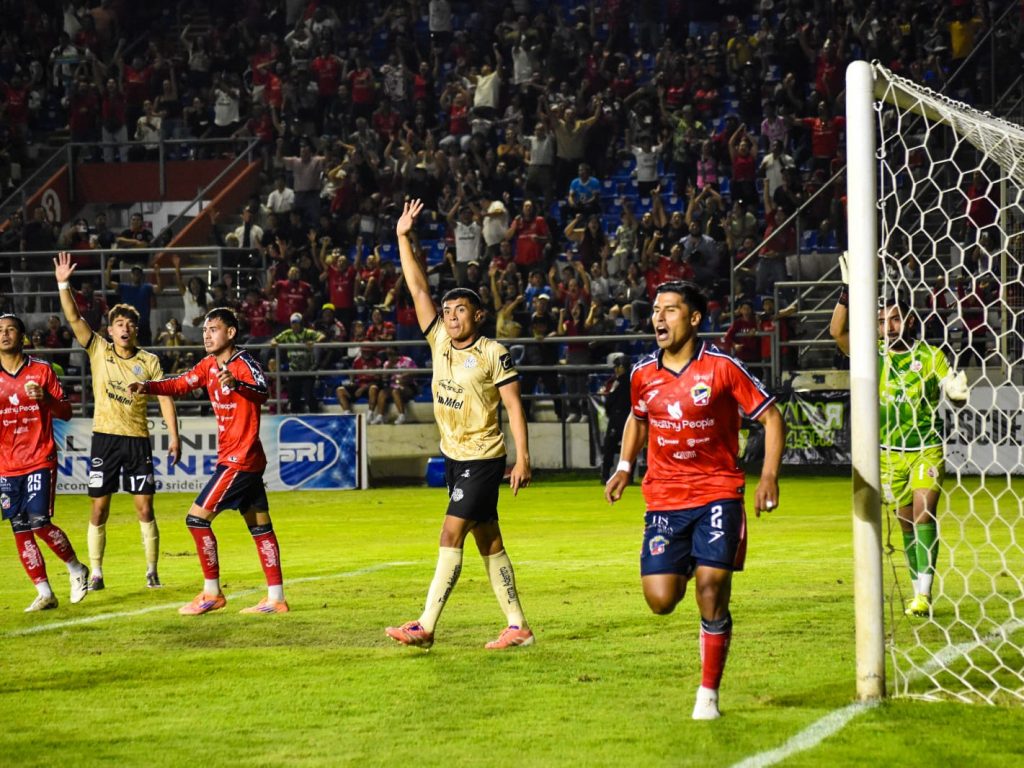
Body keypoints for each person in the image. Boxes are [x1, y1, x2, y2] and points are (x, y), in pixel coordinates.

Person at [604, 280, 785, 720]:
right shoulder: (642, 374)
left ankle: (708, 694)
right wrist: (625, 467)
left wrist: (768, 477)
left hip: (718, 491)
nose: (659, 318)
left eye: (670, 310)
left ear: (695, 318)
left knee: (711, 589)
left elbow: (772, 418)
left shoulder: (722, 367)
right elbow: (638, 419)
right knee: (661, 600)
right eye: (655, 310)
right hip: (665, 498)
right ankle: (687, 561)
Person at [385, 199, 534, 650]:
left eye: (460, 310)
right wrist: (402, 237)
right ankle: (518, 626)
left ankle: (426, 625)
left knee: (451, 533)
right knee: (489, 541)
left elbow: (514, 406)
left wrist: (523, 458)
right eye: (447, 310)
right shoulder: (439, 342)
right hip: (454, 456)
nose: (450, 316)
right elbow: (417, 288)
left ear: (478, 316)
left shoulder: (492, 353)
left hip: (483, 459)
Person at [830, 257, 969, 617]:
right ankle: (916, 589)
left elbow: (951, 387)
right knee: (906, 523)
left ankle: (924, 594)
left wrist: (956, 393)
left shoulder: (930, 355)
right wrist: (847, 292)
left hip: (926, 449)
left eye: (894, 319)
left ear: (909, 321)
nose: (888, 327)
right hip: (888, 453)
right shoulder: (872, 355)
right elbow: (837, 333)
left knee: (924, 513)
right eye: (881, 321)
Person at [127, 309, 287, 615]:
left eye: (213, 329)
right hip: (239, 458)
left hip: (240, 459)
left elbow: (263, 392)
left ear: (231, 333)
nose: (207, 335)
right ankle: (276, 599)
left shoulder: (244, 363)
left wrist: (237, 384)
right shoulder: (208, 365)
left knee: (196, 519)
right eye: (204, 330)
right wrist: (147, 387)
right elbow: (179, 384)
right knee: (260, 527)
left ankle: (212, 593)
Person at [55, 252, 181, 590]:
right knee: (99, 510)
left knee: (145, 509)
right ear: (109, 330)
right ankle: (96, 573)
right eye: (119, 324)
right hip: (105, 439)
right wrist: (63, 284)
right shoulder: (98, 348)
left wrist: (174, 436)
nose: (125, 328)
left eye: (130, 324)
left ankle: (152, 571)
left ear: (136, 330)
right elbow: (73, 317)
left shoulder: (149, 361)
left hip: (137, 439)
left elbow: (164, 397)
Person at [0, 313, 90, 611]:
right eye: (0, 330)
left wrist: (46, 399)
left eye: (11, 329)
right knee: (20, 527)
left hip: (39, 456)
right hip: (6, 464)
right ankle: (45, 592)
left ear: (22, 336)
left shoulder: (41, 370)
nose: (5, 334)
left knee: (39, 522)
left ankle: (76, 568)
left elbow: (66, 412)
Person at [270, 312, 326, 413]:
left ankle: (315, 413)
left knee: (308, 395)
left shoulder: (307, 332)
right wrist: (274, 343)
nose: (295, 325)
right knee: (294, 396)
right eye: (293, 323)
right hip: (294, 370)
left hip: (308, 370)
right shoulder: (287, 333)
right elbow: (274, 340)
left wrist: (314, 342)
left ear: (301, 323)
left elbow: (322, 336)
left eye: (297, 323)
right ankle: (295, 414)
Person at [598, 354, 632, 484]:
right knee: (630, 448)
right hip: (630, 418)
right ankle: (629, 477)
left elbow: (610, 400)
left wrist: (609, 411)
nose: (615, 370)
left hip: (617, 418)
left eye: (617, 367)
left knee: (609, 447)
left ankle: (605, 475)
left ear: (621, 367)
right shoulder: (634, 381)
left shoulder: (618, 382)